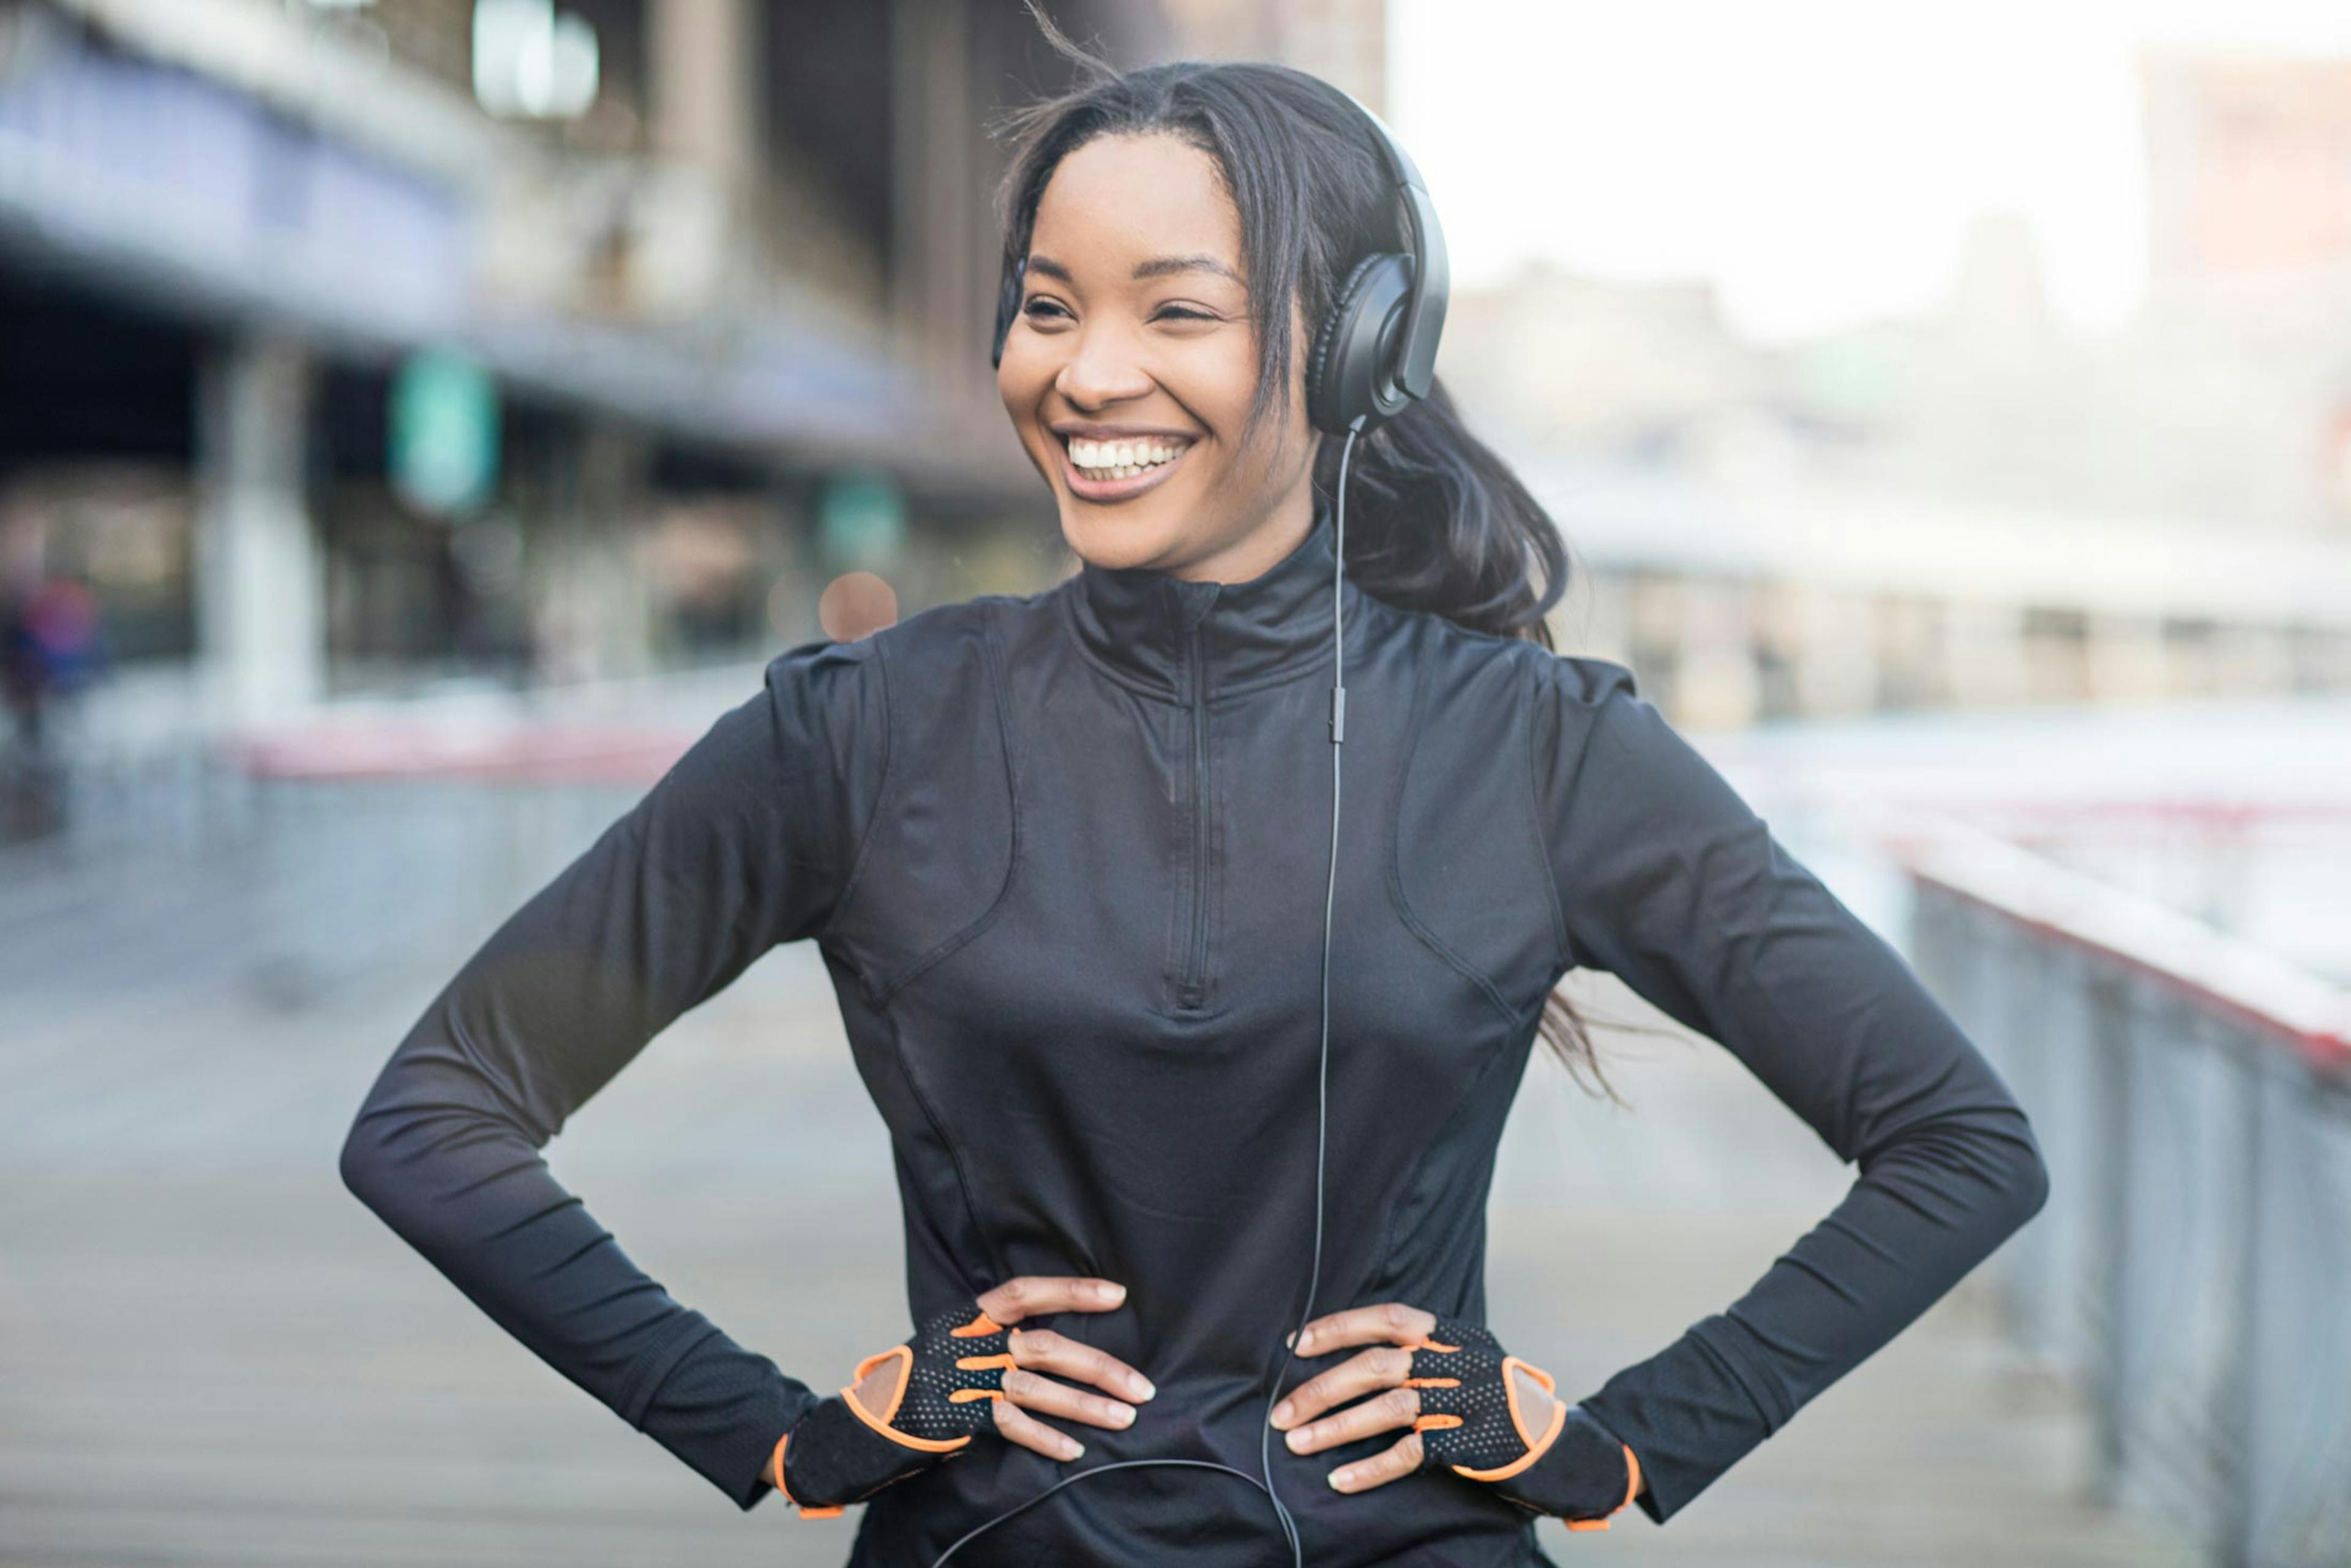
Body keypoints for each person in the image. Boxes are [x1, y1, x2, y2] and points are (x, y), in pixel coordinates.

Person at [338, 31, 2049, 1568]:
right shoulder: (855, 733)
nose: (1085, 376)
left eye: (1177, 309)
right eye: (1050, 303)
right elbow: (436, 1119)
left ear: (1357, 344)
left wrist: (1620, 1448)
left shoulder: (1545, 746)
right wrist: (774, 1428)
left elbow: (1959, 1146)